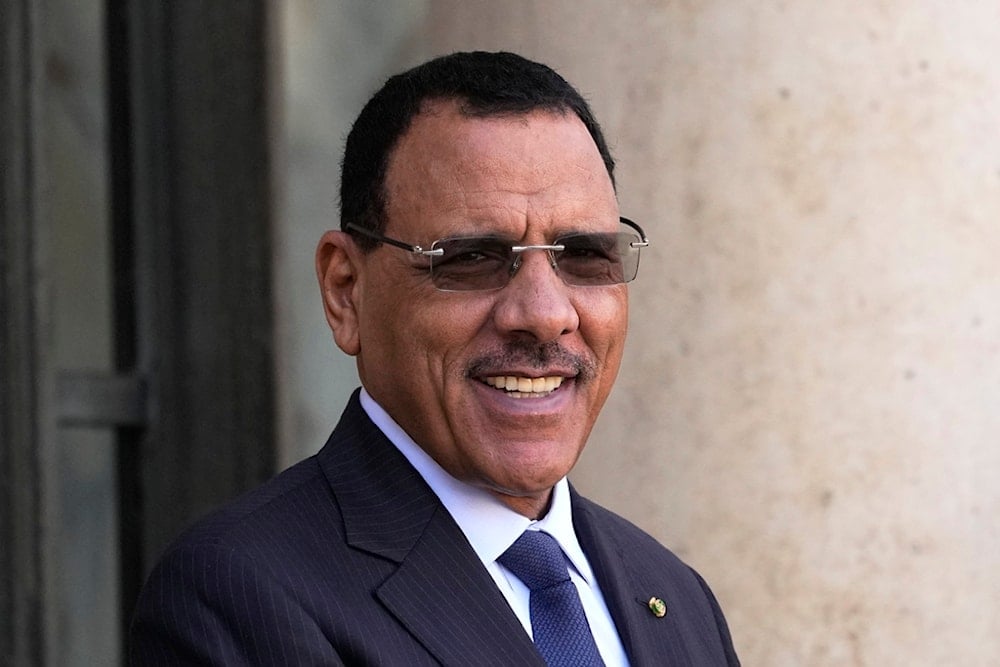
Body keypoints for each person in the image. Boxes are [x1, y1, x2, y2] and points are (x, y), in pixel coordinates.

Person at [129, 51, 740, 666]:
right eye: (471, 258)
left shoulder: (675, 599)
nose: (545, 313)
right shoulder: (241, 597)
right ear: (346, 291)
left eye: (584, 255)